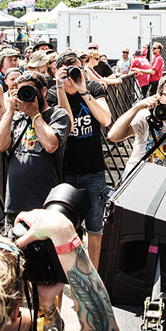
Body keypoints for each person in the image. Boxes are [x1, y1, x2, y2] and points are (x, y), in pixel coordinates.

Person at [47, 52, 113, 267]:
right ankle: (72, 272)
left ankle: (94, 277)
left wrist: (83, 90)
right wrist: (60, 87)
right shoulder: (51, 94)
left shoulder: (93, 88)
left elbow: (105, 119)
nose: (73, 72)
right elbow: (69, 126)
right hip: (65, 172)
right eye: (67, 68)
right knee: (66, 229)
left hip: (93, 170)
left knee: (95, 228)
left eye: (76, 66)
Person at [0, 71, 70, 222]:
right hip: (16, 203)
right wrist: (10, 111)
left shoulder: (58, 115)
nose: (26, 95)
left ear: (44, 91)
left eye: (30, 90)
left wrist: (35, 115)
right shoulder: (17, 117)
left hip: (46, 202)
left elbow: (50, 145)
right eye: (22, 91)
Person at [108, 76, 166, 177]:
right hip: (138, 176)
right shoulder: (147, 116)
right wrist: (137, 107)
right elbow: (113, 136)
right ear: (159, 96)